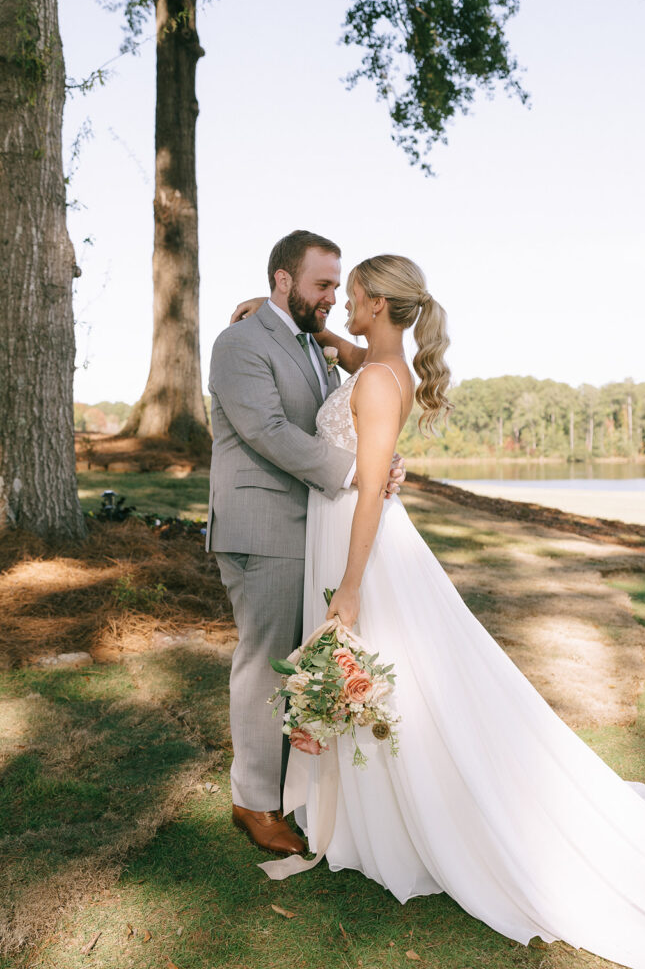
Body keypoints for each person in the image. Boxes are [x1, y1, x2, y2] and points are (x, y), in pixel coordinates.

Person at [250, 254, 645, 969]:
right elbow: (358, 358)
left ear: (379, 305)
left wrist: (350, 586)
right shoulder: (381, 364)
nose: (344, 308)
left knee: (391, 678)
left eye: (352, 297)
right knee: (385, 679)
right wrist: (321, 340)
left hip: (362, 548)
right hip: (346, 535)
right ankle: (362, 812)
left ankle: (404, 819)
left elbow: (367, 493)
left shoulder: (384, 383)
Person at [207, 230, 404, 857]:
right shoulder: (239, 343)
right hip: (260, 526)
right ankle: (253, 802)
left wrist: (374, 461)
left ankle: (300, 789)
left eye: (337, 288)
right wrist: (357, 472)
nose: (330, 298)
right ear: (284, 280)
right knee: (264, 663)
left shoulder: (309, 341)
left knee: (302, 660)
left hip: (311, 526)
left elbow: (355, 390)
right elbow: (265, 430)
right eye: (322, 286)